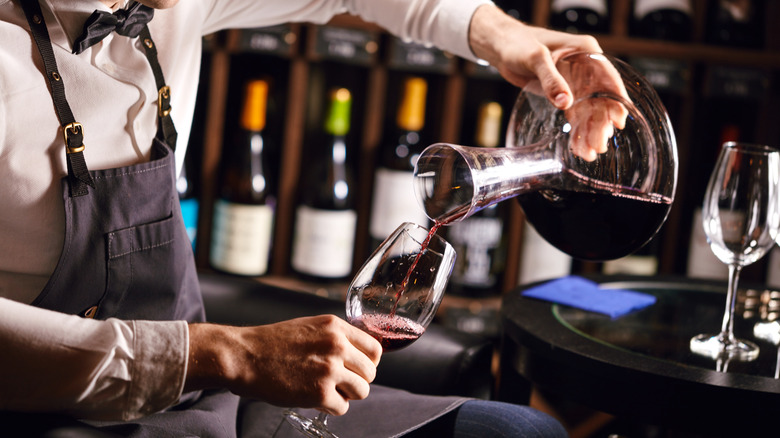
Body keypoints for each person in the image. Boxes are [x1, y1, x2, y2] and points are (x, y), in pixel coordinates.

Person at [0, 0, 618, 436]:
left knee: (516, 431)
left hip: (201, 397)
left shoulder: (172, 4)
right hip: (48, 408)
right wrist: (225, 355)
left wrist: (503, 34)